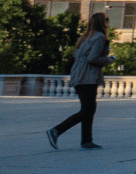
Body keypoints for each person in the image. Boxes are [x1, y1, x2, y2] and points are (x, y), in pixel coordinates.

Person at [47, 12, 114, 149]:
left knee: (88, 108)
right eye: (106, 22)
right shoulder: (99, 37)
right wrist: (108, 60)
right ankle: (56, 130)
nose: (108, 25)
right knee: (88, 109)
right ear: (103, 24)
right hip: (88, 76)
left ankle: (86, 141)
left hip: (78, 74)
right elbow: (92, 58)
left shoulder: (84, 38)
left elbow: (76, 55)